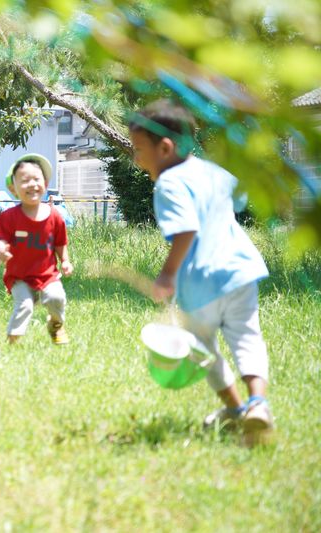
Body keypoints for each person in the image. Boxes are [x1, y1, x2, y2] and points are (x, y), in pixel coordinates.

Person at [128, 99, 274, 442]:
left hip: (201, 280)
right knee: (247, 337)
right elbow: (238, 200)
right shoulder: (214, 173)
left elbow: (185, 230)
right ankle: (257, 404)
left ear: (164, 147)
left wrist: (166, 274)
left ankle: (237, 411)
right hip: (240, 271)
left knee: (203, 349)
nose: (134, 157)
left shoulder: (168, 184)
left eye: (137, 148)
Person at [0, 154, 73, 345]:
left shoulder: (55, 217)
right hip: (19, 276)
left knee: (56, 297)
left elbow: (60, 243)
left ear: (45, 184)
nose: (32, 184)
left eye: (36, 179)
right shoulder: (9, 217)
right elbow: (0, 238)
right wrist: (1, 250)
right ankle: (12, 342)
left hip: (47, 275)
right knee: (25, 305)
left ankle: (55, 325)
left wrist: (65, 261)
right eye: (25, 180)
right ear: (14, 188)